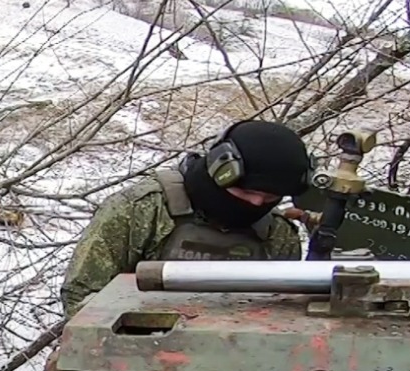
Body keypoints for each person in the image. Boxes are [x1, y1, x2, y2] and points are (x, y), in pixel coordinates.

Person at [58, 119, 314, 317]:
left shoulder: (276, 234)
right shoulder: (142, 209)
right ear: (219, 170)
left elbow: (279, 312)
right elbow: (83, 296)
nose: (257, 204)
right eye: (246, 192)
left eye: (270, 198)